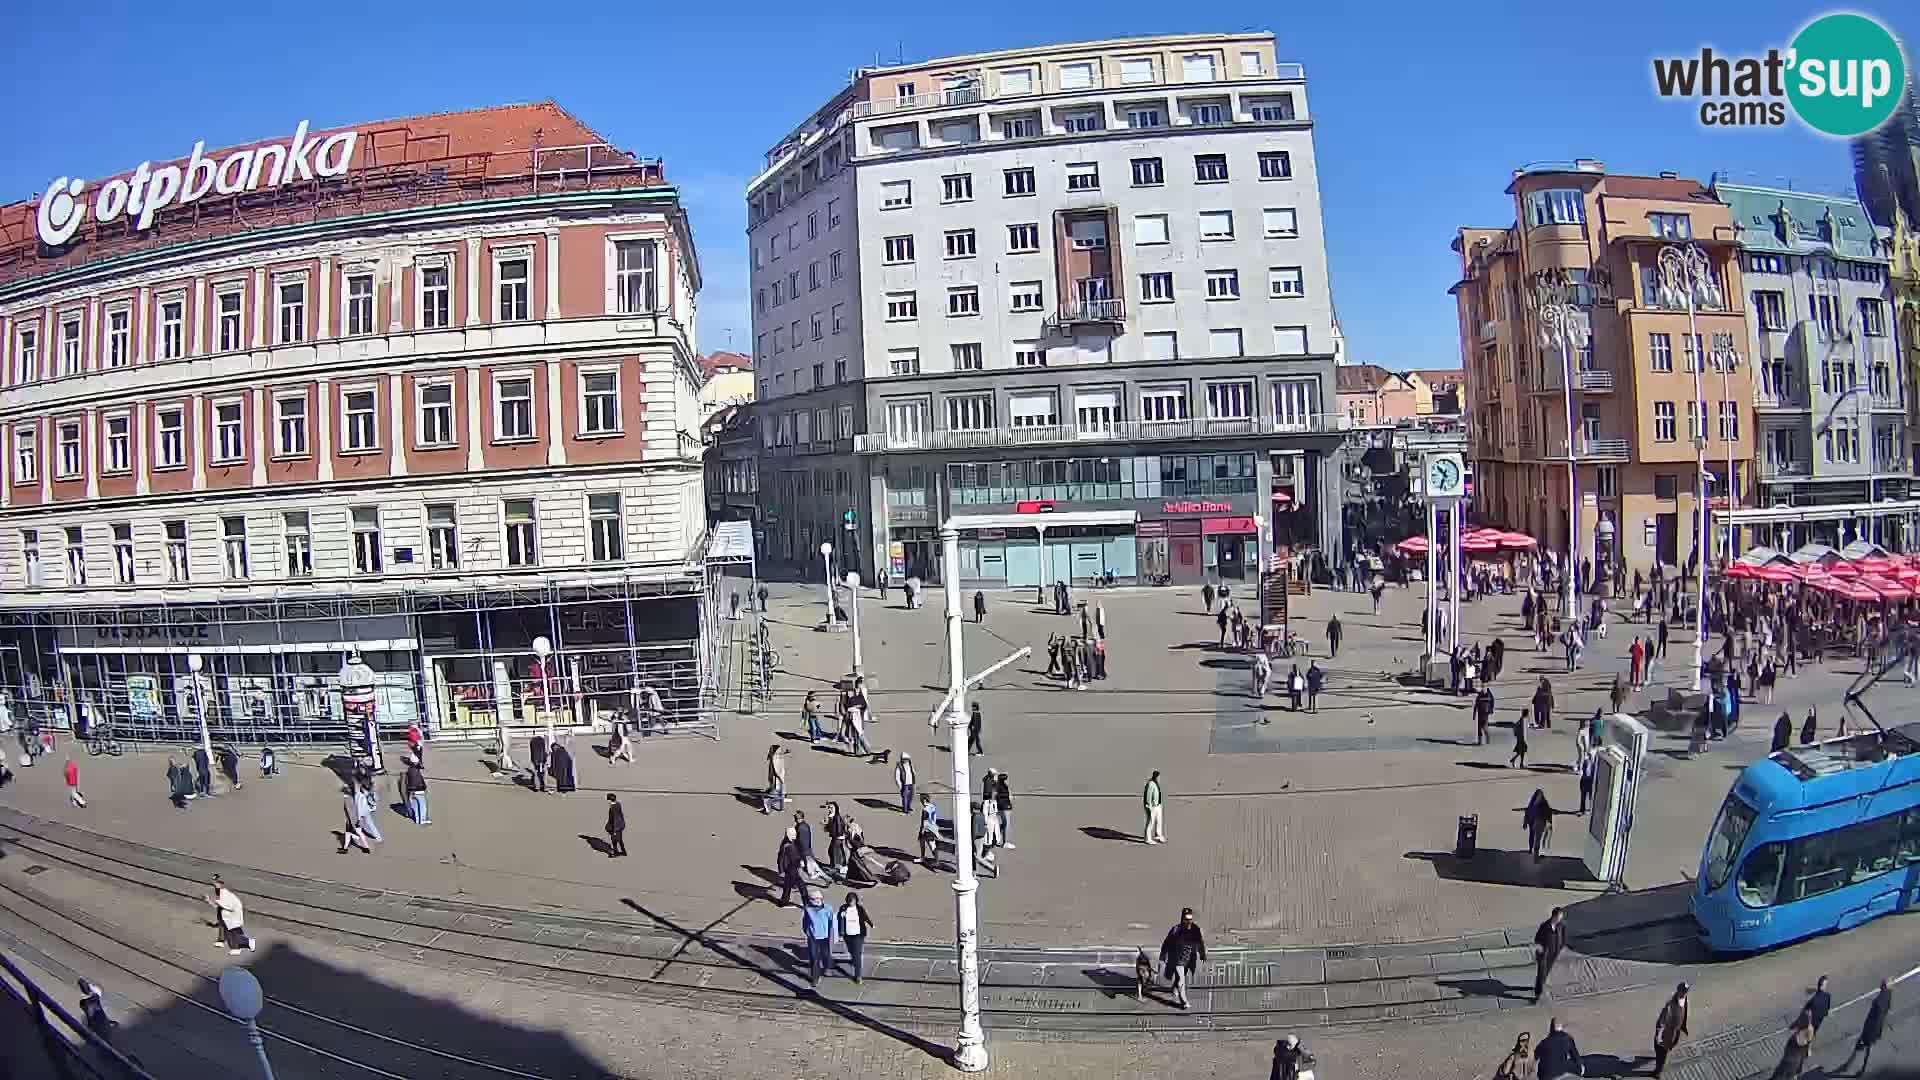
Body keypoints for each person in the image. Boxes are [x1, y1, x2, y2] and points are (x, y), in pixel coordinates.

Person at [1838, 977, 1892, 1075]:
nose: (1880, 985)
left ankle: (1852, 1066)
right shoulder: (1888, 995)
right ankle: (1858, 1066)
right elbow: (1886, 1010)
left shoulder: (1879, 1001)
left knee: (1861, 1046)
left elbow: (1876, 1016)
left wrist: (1868, 1029)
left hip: (1870, 1030)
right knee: (1867, 1048)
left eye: (1882, 984)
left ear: (1884, 986)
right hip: (1876, 1030)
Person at [1157, 907, 1207, 1010]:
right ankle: (1184, 1001)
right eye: (1186, 918)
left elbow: (1199, 942)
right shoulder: (1176, 929)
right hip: (1177, 958)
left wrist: (1202, 954)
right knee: (1182, 980)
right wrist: (1163, 956)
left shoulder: (1195, 929)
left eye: (1190, 918)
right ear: (1182, 918)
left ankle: (1175, 989)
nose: (1188, 921)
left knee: (1181, 976)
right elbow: (1166, 943)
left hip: (1189, 959)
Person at [208, 877, 256, 954]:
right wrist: (209, 901)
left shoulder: (226, 893)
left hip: (233, 916)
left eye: (217, 884)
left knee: (234, 934)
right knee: (229, 933)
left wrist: (218, 903)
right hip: (227, 916)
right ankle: (236, 949)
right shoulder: (220, 893)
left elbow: (228, 906)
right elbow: (219, 906)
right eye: (214, 884)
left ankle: (249, 942)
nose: (215, 886)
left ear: (222, 884)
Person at [1651, 981, 1689, 1078]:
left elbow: (1684, 1012)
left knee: (1662, 1052)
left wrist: (1682, 1026)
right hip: (1669, 1033)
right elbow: (1662, 1022)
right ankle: (1657, 1068)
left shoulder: (1681, 1000)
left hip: (1672, 1033)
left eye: (1685, 991)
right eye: (1683, 991)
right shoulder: (1672, 1003)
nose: (1684, 993)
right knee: (1661, 1049)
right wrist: (1659, 1035)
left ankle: (1658, 1072)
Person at [1532, 907, 1567, 1003]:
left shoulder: (1561, 925)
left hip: (1554, 953)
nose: (1560, 919)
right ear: (1554, 916)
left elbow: (1564, 938)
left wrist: (1560, 947)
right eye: (1559, 917)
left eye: (1561, 917)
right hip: (1543, 955)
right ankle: (1537, 994)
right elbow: (1537, 939)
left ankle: (1541, 984)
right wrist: (1540, 949)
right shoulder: (1545, 926)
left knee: (1547, 971)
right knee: (1541, 973)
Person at [837, 892, 873, 983]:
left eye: (853, 901)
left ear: (856, 901)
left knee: (857, 955)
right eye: (849, 901)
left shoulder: (859, 909)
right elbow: (839, 919)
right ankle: (854, 960)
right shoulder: (843, 908)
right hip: (847, 935)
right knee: (851, 951)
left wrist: (871, 924)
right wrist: (841, 916)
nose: (851, 903)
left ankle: (858, 975)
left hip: (858, 934)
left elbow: (865, 917)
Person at [800, 889, 834, 986]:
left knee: (826, 955)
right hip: (813, 938)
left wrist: (833, 935)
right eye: (814, 899)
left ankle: (827, 967)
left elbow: (832, 922)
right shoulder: (807, 909)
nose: (817, 901)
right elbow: (805, 921)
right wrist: (807, 932)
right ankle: (815, 977)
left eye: (819, 898)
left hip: (825, 936)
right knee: (814, 958)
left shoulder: (828, 909)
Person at [1770, 1008, 1814, 1079]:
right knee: (1785, 1071)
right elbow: (1792, 1027)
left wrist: (1808, 1050)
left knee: (1786, 1072)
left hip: (1793, 1056)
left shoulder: (1808, 1029)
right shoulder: (1803, 1026)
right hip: (1792, 1054)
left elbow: (1808, 1041)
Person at [78, 979, 116, 1045]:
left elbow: (87, 1015)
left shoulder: (83, 1002)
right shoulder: (95, 996)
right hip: (100, 1018)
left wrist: (89, 1026)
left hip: (95, 1021)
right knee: (104, 1036)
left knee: (101, 1037)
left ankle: (106, 1048)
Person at [1524, 788, 1555, 859]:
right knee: (1533, 836)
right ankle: (1532, 849)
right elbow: (1528, 812)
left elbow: (1548, 812)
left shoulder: (1540, 803)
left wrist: (1549, 822)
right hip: (1533, 822)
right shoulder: (1536, 802)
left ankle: (1536, 852)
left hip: (1538, 822)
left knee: (1537, 838)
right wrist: (1525, 822)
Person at [777, 827, 803, 906]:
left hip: (792, 866)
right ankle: (784, 901)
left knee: (788, 885)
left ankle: (784, 901)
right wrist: (781, 870)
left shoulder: (792, 842)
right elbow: (781, 858)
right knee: (798, 885)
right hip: (790, 867)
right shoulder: (786, 845)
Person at [1804, 975, 1832, 1042]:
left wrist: (1827, 1012)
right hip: (1813, 1019)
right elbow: (1807, 1009)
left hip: (1819, 1018)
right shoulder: (1814, 999)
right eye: (1825, 984)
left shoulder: (1827, 996)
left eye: (1826, 984)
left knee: (1813, 1032)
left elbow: (1827, 1007)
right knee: (1810, 1034)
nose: (1826, 986)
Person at [404, 755, 430, 824]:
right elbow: (419, 780)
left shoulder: (410, 770)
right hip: (419, 789)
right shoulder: (415, 770)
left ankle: (418, 819)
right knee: (422, 806)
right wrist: (424, 787)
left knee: (416, 806)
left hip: (413, 790)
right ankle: (422, 820)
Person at [1143, 770, 1166, 844]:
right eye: (1159, 777)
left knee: (1159, 821)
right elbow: (1148, 796)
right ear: (1155, 777)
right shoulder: (1150, 784)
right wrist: (1148, 806)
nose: (1159, 779)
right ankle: (1147, 838)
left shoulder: (1156, 783)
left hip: (1158, 805)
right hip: (1152, 806)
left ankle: (1158, 835)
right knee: (1151, 822)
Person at [918, 794, 941, 866]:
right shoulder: (932, 806)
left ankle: (937, 861)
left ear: (924, 800)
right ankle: (922, 857)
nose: (920, 801)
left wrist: (921, 831)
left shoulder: (925, 810)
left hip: (928, 829)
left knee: (932, 845)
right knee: (922, 841)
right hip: (933, 827)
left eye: (921, 799)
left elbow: (924, 822)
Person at [763, 745, 787, 813]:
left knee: (767, 798)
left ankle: (767, 810)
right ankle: (781, 808)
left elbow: (777, 771)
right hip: (780, 782)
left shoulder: (775, 759)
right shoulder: (779, 758)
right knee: (781, 795)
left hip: (777, 783)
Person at [993, 770, 1014, 849]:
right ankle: (1006, 842)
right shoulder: (1003, 786)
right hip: (1005, 807)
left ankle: (997, 838)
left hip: (1002, 807)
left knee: (1004, 824)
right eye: (1007, 779)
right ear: (1004, 780)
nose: (1008, 781)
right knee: (1007, 825)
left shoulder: (998, 786)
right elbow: (1009, 796)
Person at [604, 793, 627, 858]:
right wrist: (623, 823)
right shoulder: (618, 804)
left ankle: (616, 852)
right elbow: (621, 814)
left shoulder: (612, 808)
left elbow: (611, 819)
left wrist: (611, 828)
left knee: (614, 840)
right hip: (620, 825)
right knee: (620, 839)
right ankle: (623, 851)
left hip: (615, 826)